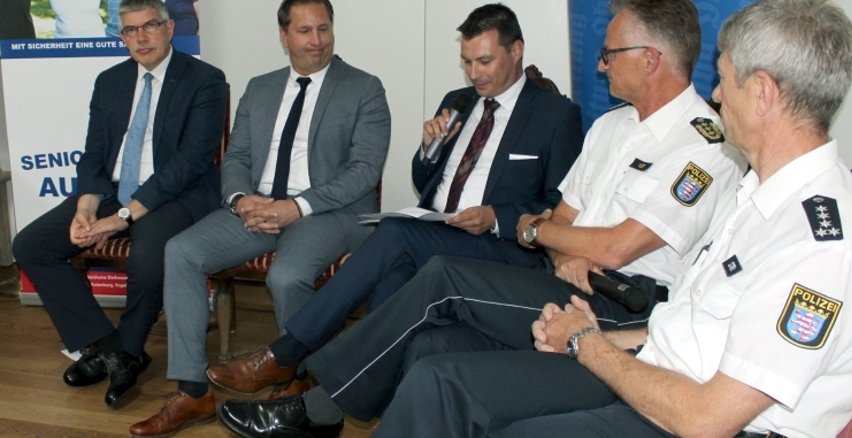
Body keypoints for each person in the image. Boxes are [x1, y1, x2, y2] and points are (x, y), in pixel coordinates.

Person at [368, 0, 852, 436]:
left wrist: (589, 344)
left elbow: (707, 418)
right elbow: (692, 331)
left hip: (693, 414)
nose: (716, 97)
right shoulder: (760, 195)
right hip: (652, 363)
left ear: (763, 92)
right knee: (440, 379)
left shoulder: (822, 246)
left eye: (723, 81)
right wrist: (590, 332)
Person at [215, 0, 747, 436]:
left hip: (619, 308)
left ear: (650, 58)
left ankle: (301, 392)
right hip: (557, 278)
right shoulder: (612, 128)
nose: (601, 64)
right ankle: (320, 409)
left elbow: (610, 245)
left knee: (438, 273)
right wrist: (562, 247)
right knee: (424, 343)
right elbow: (564, 217)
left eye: (610, 54)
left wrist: (536, 231)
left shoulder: (705, 143)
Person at [206, 2, 583, 401]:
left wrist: (495, 218)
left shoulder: (556, 115)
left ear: (517, 50)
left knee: (395, 235)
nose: (475, 73)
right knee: (391, 275)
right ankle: (328, 401)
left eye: (485, 61)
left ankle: (287, 354)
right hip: (441, 231)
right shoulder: (459, 100)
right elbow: (426, 183)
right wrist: (428, 151)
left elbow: (560, 205)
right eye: (467, 61)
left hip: (502, 247)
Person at [127, 0, 390, 435]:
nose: (317, 41)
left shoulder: (364, 87)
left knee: (285, 277)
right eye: (304, 31)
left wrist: (296, 207)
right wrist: (239, 199)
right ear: (284, 36)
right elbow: (237, 157)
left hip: (326, 211)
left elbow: (364, 171)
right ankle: (193, 391)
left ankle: (295, 377)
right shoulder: (261, 87)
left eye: (323, 29)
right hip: (257, 206)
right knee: (182, 251)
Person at [12, 0, 226, 409]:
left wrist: (122, 217)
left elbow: (191, 161)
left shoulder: (205, 79)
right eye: (130, 30)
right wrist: (87, 207)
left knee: (150, 258)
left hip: (174, 194)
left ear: (168, 28)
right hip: (110, 188)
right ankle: (114, 349)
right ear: (121, 35)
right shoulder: (110, 80)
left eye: (149, 27)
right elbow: (94, 154)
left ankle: (126, 346)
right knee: (31, 245)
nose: (141, 38)